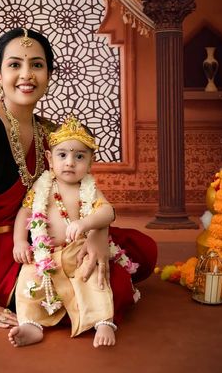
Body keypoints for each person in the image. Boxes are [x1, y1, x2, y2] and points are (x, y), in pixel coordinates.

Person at [0, 27, 157, 328]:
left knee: (143, 249)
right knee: (118, 288)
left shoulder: (49, 131)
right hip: (1, 258)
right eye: (14, 64)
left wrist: (97, 238)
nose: (26, 74)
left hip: (53, 238)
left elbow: (85, 195)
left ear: (48, 74)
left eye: (36, 64)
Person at [9, 115, 138, 348]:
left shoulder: (88, 188)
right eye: (62, 155)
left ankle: (104, 321)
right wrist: (19, 241)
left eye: (79, 156)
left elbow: (108, 212)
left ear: (90, 162)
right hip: (45, 253)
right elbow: (24, 213)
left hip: (78, 251)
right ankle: (31, 324)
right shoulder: (42, 188)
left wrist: (86, 223)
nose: (70, 162)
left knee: (94, 278)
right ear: (49, 158)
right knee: (28, 280)